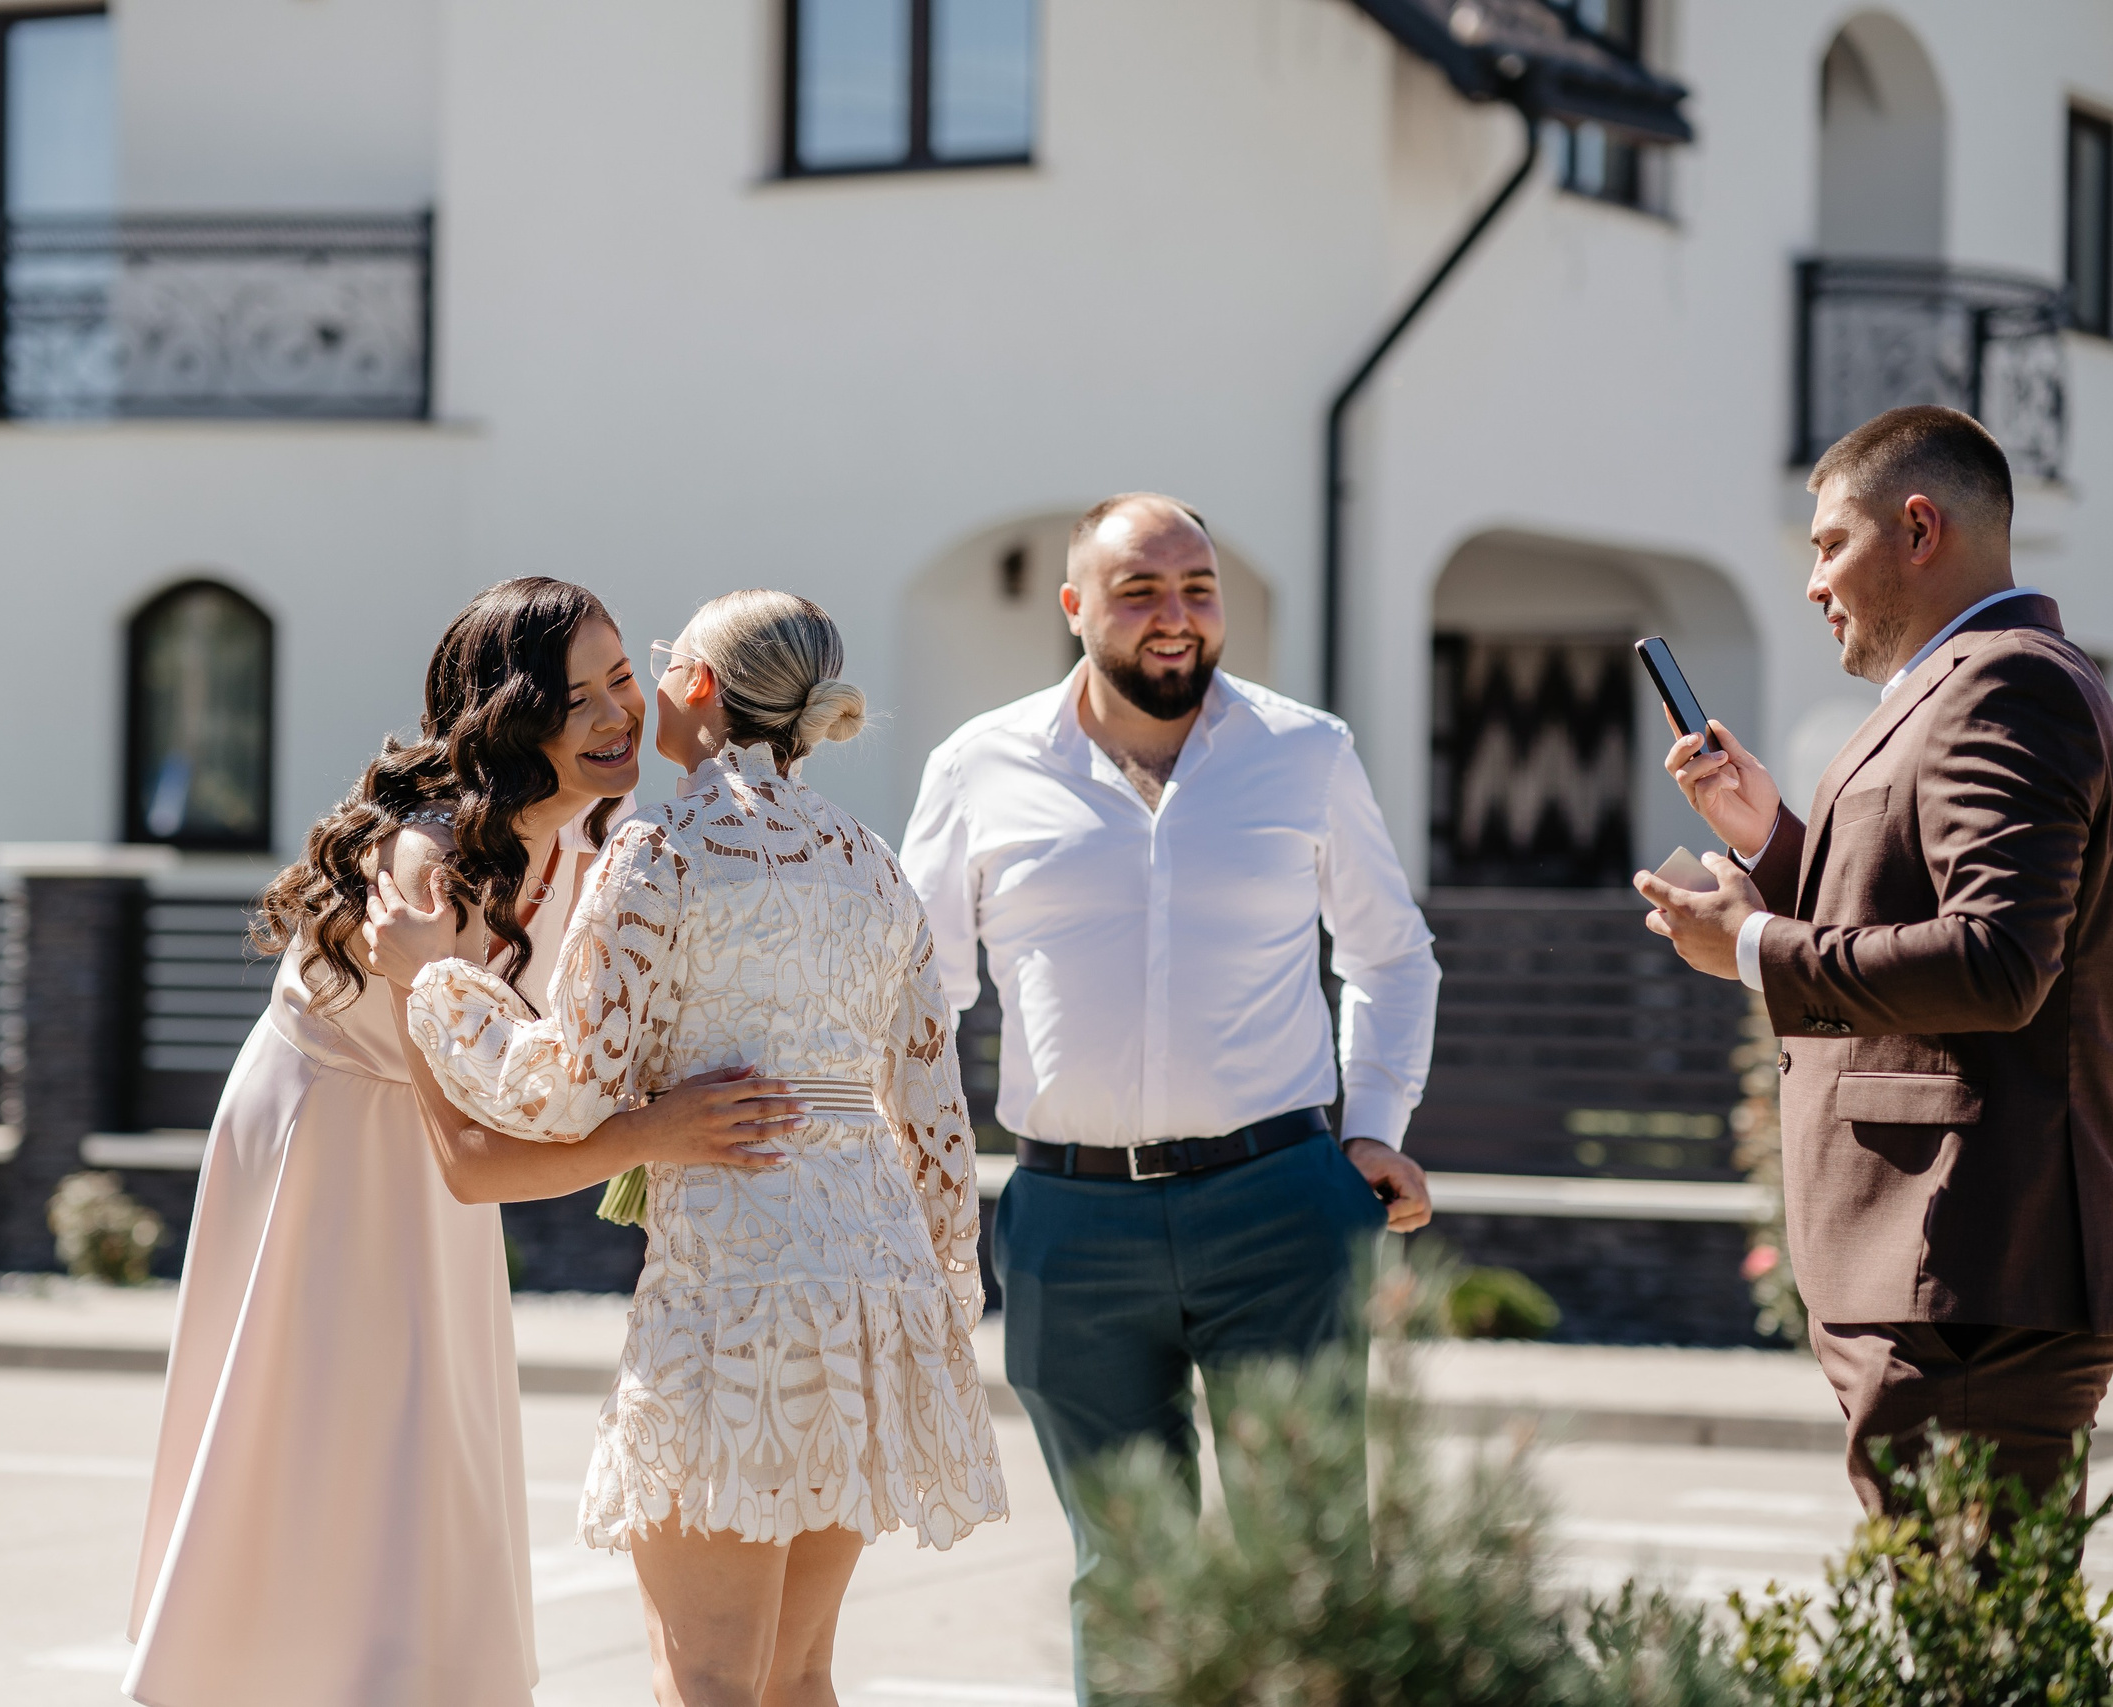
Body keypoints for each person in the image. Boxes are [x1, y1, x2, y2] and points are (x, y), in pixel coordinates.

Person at [125, 578, 803, 1707]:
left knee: (427, 1458)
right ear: (506, 719)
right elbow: (480, 1145)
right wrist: (658, 1134)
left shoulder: (601, 847)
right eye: (571, 698)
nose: (613, 718)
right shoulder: (423, 866)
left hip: (440, 1161)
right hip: (330, 1148)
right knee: (324, 1450)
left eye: (621, 682)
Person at [375, 589, 1007, 1707]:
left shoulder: (662, 852)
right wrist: (944, 1290)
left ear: (699, 690)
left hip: (739, 1294)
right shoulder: (871, 862)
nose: (642, 689)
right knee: (798, 1673)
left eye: (657, 667)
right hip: (874, 1286)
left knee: (706, 1679)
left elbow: (568, 1086)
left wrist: (434, 983)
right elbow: (937, 1115)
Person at [897, 492, 1440, 1700]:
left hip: (1283, 1207)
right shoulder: (978, 767)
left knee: (1305, 1559)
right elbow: (918, 998)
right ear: (1074, 606)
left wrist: (1373, 1131)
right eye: (1139, 591)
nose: (1175, 618)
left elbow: (1390, 956)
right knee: (1125, 1571)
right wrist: (911, 1177)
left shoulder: (1307, 754)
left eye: (1196, 589)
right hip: (1068, 1227)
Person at [1637, 404, 2113, 1515]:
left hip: (1965, 1267)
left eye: (1827, 543)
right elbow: (1922, 908)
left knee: (1968, 1663)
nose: (1813, 582)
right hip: (1942, 1269)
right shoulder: (1968, 684)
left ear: (1917, 528)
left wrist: (1753, 946)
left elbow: (1996, 962)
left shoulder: (2006, 684)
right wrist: (1772, 844)